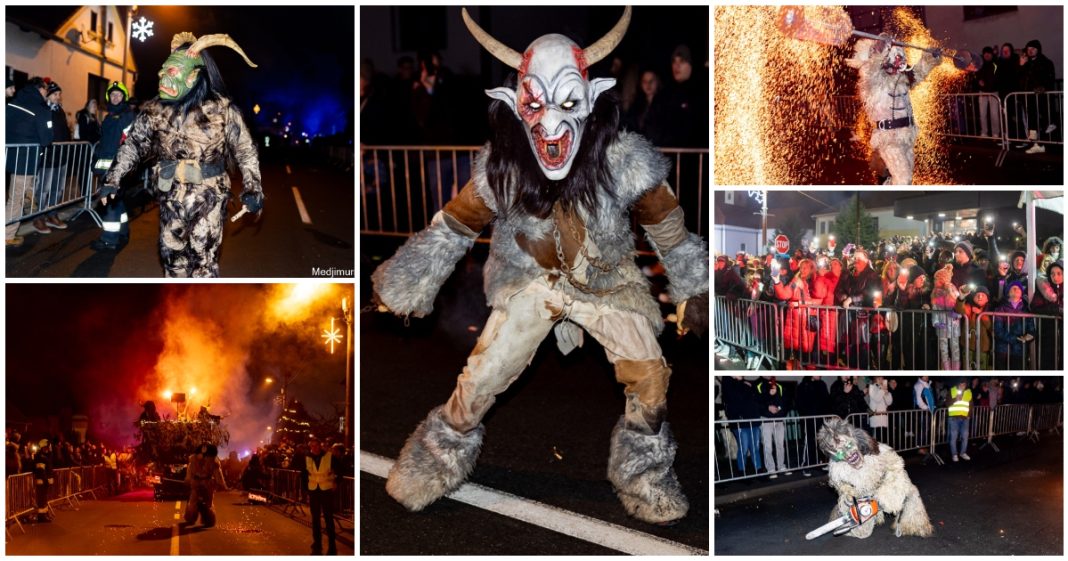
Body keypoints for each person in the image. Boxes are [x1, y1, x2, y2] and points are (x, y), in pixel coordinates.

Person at [375, 8, 705, 526]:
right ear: (515, 105)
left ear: (591, 99)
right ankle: (434, 460)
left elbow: (668, 227)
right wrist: (406, 282)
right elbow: (454, 226)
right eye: (535, 104)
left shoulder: (622, 159)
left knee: (649, 378)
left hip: (607, 284)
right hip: (530, 281)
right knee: (481, 378)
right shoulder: (503, 166)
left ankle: (645, 476)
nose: (551, 122)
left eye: (568, 102)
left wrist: (694, 287)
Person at [99, 32, 264, 276]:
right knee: (173, 260)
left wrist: (253, 188)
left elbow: (245, 149)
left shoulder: (221, 109)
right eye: (162, 72)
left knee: (203, 263)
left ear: (193, 75)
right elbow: (133, 144)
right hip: (171, 195)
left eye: (172, 72)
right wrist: (112, 179)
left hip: (208, 196)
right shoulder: (155, 110)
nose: (163, 77)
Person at [845, 34, 940, 184]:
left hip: (907, 135)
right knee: (904, 180)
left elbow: (918, 73)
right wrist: (880, 48)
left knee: (905, 179)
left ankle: (885, 186)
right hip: (889, 139)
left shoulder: (901, 79)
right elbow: (870, 69)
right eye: (895, 60)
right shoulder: (874, 83)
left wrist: (930, 58)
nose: (899, 65)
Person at [90, 82, 137, 251]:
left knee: (110, 201)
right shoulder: (110, 116)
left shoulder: (128, 116)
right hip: (108, 166)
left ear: (124, 97)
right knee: (117, 200)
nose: (115, 97)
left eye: (119, 95)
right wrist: (97, 159)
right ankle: (123, 231)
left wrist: (120, 167)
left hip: (118, 167)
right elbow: (105, 142)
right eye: (112, 94)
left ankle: (109, 239)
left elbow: (129, 144)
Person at [5, 77, 53, 247]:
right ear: (40, 89)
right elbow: (47, 139)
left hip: (10, 156)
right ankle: (7, 235)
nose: (47, 92)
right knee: (16, 199)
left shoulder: (13, 103)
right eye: (46, 89)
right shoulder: (41, 109)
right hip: (26, 160)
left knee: (18, 195)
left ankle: (26, 213)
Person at [834, 249, 881, 368]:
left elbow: (869, 293)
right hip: (847, 313)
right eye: (854, 258)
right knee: (846, 343)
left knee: (861, 345)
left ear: (866, 260)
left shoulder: (872, 275)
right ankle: (848, 367)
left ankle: (861, 369)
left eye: (859, 258)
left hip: (862, 315)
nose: (856, 261)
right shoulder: (847, 272)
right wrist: (844, 298)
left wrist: (852, 299)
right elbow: (838, 289)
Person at [37, 79, 70, 233]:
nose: (58, 97)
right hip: (47, 156)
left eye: (59, 94)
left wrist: (68, 148)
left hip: (61, 155)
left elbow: (65, 131)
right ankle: (38, 217)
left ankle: (52, 214)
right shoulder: (43, 110)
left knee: (58, 188)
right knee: (43, 188)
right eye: (55, 94)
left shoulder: (60, 111)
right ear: (48, 95)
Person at [1018, 39, 1056, 154]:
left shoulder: (1046, 62)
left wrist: (1043, 87)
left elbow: (1050, 79)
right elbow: (1019, 79)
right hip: (1029, 99)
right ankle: (1034, 143)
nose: (1030, 51)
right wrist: (1021, 66)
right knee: (1032, 123)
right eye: (1028, 49)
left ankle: (1043, 144)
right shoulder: (1027, 63)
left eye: (1033, 49)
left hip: (1042, 99)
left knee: (1044, 122)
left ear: (1038, 49)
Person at [302, 437, 338, 555]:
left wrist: (336, 482)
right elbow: (304, 474)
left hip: (326, 490)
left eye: (316, 445)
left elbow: (340, 470)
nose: (314, 448)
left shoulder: (329, 456)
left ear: (320, 445)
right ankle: (317, 543)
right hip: (314, 491)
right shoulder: (307, 457)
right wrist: (306, 489)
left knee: (328, 518)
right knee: (315, 519)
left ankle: (332, 545)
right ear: (310, 447)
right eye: (312, 446)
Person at [993, 282, 1035, 369]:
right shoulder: (1001, 309)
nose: (1016, 289)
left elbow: (1031, 328)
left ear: (1021, 293)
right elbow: (998, 330)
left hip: (1019, 350)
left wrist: (1030, 335)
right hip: (1003, 350)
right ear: (1008, 293)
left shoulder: (1026, 310)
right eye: (1013, 288)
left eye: (1018, 288)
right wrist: (1016, 339)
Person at [184, 442, 227, 527]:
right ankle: (197, 518)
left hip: (204, 484)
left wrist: (221, 483)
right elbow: (217, 474)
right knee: (197, 502)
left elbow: (217, 473)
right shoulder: (196, 460)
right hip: (201, 483)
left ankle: (199, 518)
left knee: (202, 502)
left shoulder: (211, 461)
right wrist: (221, 484)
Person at [795, 376, 830, 476]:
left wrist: (826, 415)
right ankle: (806, 465)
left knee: (821, 441)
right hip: (808, 419)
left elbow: (826, 400)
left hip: (821, 419)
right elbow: (799, 403)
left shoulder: (822, 384)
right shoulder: (803, 386)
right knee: (808, 441)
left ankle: (819, 463)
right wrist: (806, 415)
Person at [757, 377, 790, 479]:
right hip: (766, 419)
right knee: (768, 446)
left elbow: (785, 402)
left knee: (780, 445)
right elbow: (757, 402)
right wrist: (768, 407)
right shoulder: (759, 385)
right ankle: (771, 469)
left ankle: (781, 466)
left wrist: (779, 409)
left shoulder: (779, 386)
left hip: (779, 419)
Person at [931, 264, 963, 370]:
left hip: (953, 324)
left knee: (955, 347)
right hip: (942, 325)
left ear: (943, 280)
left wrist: (957, 315)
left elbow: (959, 306)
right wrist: (936, 322)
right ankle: (946, 369)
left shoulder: (953, 291)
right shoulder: (935, 293)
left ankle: (955, 369)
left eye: (937, 279)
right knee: (943, 348)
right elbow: (935, 309)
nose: (935, 281)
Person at [956, 285, 993, 369]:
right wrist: (961, 298)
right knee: (967, 368)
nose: (980, 297)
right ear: (973, 298)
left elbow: (990, 326)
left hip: (983, 347)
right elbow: (960, 310)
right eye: (977, 295)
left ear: (987, 299)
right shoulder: (969, 307)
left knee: (981, 369)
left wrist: (981, 314)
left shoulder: (990, 310)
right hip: (968, 345)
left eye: (983, 295)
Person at [975, 46, 1000, 139]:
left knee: (994, 114)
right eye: (985, 53)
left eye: (989, 53)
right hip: (983, 92)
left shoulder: (995, 64)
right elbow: (976, 75)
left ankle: (995, 133)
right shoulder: (980, 64)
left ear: (992, 54)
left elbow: (997, 76)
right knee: (982, 114)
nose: (987, 55)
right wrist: (979, 81)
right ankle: (984, 132)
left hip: (994, 92)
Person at [947, 379, 972, 462]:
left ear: (966, 385)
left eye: (964, 384)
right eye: (961, 384)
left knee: (965, 437)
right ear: (958, 384)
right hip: (954, 417)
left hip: (965, 418)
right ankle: (954, 454)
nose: (962, 386)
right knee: (953, 437)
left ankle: (963, 453)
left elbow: (971, 405)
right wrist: (955, 399)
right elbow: (947, 403)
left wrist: (969, 415)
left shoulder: (968, 392)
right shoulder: (952, 391)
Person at [33, 439, 55, 522]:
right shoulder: (40, 457)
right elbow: (41, 470)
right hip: (42, 482)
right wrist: (45, 480)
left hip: (44, 481)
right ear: (43, 447)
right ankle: (41, 517)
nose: (49, 448)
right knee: (42, 500)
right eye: (48, 447)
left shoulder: (45, 456)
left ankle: (44, 514)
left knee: (44, 499)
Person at [867, 376, 893, 445]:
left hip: (884, 417)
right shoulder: (872, 387)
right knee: (876, 440)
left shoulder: (883, 388)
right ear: (875, 379)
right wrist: (882, 390)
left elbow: (889, 402)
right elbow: (877, 399)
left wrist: (886, 393)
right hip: (876, 418)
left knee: (884, 440)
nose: (881, 380)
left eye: (882, 378)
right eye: (879, 378)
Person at [914, 376, 935, 454]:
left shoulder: (926, 384)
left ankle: (922, 447)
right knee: (923, 430)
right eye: (925, 375)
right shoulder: (919, 385)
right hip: (923, 411)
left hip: (927, 411)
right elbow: (918, 399)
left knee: (925, 429)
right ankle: (920, 447)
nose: (927, 376)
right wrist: (926, 408)